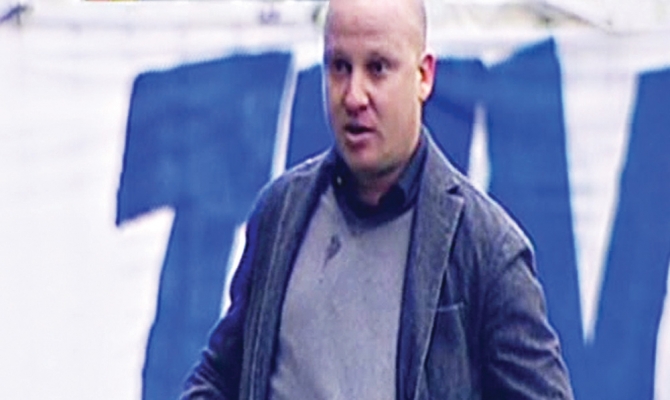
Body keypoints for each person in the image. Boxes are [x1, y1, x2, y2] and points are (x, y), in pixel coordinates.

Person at [180, 0, 575, 398]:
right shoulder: (280, 214)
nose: (354, 96)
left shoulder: (487, 248)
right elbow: (217, 377)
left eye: (378, 68)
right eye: (339, 67)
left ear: (424, 76)